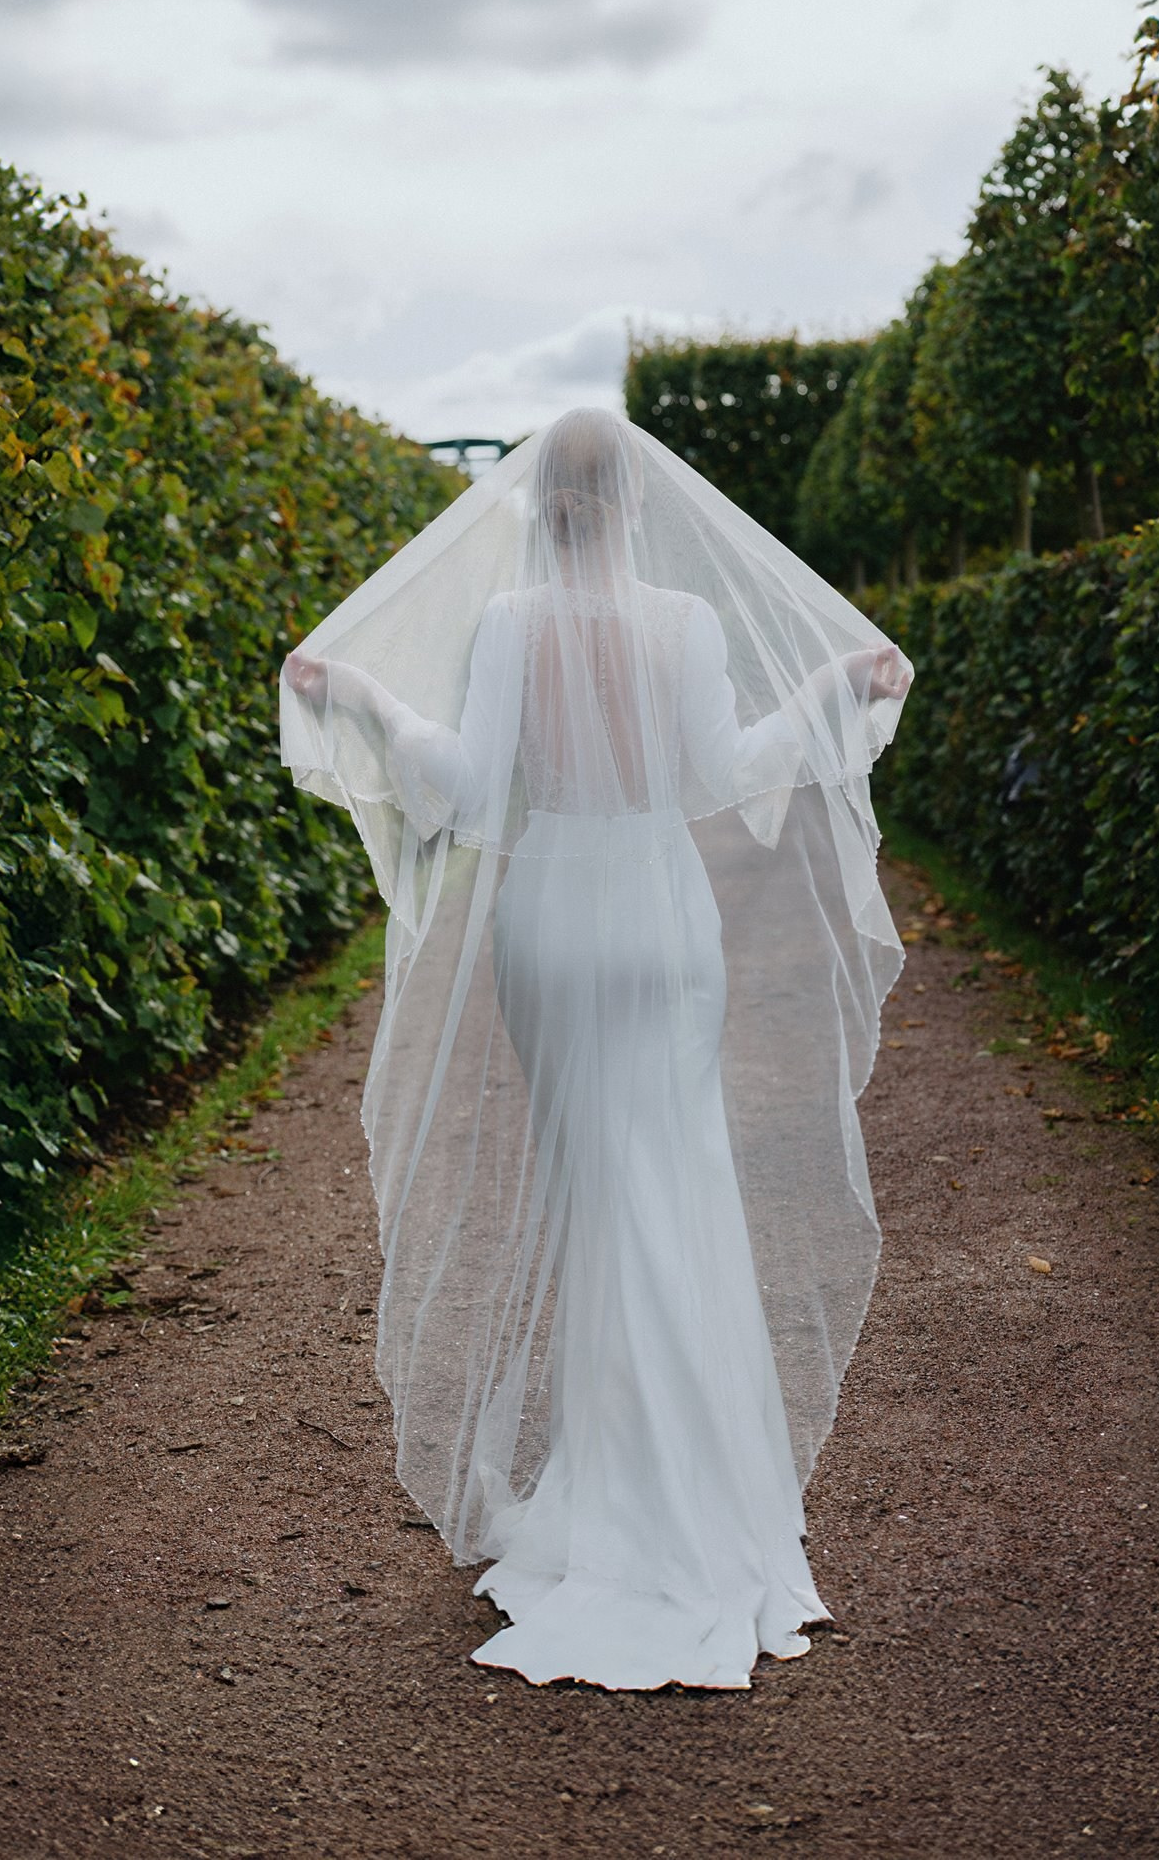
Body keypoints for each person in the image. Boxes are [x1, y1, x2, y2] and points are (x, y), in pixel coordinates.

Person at [280, 406, 910, 1691]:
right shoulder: (686, 620)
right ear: (630, 499)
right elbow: (729, 769)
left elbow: (458, 788)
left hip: (552, 923)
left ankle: (610, 1499)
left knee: (594, 1206)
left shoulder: (509, 625)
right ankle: (691, 1502)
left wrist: (365, 697)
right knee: (671, 1193)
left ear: (538, 505)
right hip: (661, 922)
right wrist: (825, 686)